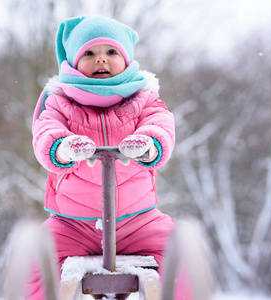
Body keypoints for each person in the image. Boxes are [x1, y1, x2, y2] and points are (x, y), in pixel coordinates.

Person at [29, 15, 184, 299]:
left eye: (111, 52)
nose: (101, 60)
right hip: (72, 224)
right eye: (89, 53)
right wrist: (62, 148)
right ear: (74, 62)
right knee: (34, 262)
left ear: (126, 59)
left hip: (138, 221)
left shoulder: (143, 98)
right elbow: (45, 131)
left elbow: (161, 124)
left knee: (179, 257)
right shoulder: (59, 101)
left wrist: (149, 144)